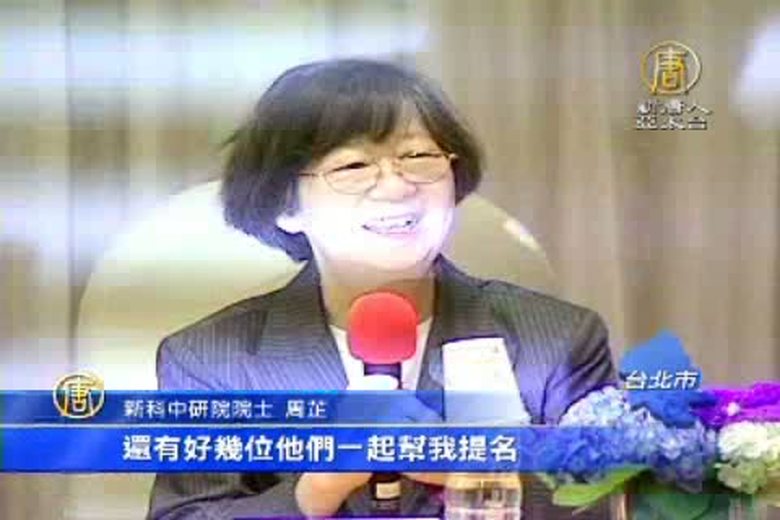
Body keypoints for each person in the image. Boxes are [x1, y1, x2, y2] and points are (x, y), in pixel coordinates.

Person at [147, 58, 615, 518]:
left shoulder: (558, 341)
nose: (395, 187)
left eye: (418, 157)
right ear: (286, 206)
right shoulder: (212, 361)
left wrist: (468, 470)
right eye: (353, 166)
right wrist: (318, 488)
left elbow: (609, 504)